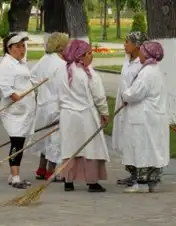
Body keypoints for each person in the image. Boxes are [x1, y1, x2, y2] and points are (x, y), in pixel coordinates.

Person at [58, 39, 110, 192]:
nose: (91, 56)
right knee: (90, 147)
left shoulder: (63, 71)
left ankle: (68, 180)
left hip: (67, 116)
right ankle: (91, 181)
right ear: (79, 55)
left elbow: (56, 94)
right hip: (85, 116)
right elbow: (98, 95)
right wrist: (104, 112)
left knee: (70, 147)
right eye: (88, 53)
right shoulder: (88, 73)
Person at [118, 41, 169, 193]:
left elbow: (135, 93)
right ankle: (152, 181)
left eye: (141, 51)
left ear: (146, 54)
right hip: (153, 116)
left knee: (142, 148)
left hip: (144, 117)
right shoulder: (155, 70)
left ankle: (141, 183)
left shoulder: (147, 72)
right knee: (152, 148)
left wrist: (124, 95)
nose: (139, 53)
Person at [0, 33, 36, 189]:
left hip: (25, 109)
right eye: (18, 46)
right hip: (14, 110)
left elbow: (25, 80)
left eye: (23, 46)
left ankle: (13, 173)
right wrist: (14, 96)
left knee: (20, 142)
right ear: (9, 48)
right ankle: (15, 177)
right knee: (17, 142)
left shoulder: (20, 63)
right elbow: (3, 84)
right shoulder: (7, 63)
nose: (22, 49)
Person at [30, 32, 69, 182]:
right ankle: (51, 171)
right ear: (62, 47)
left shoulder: (44, 59)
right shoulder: (62, 65)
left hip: (43, 104)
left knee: (44, 136)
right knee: (55, 138)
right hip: (55, 105)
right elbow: (64, 87)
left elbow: (32, 76)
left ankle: (41, 168)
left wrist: (41, 90)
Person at [113, 31, 149, 187]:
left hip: (135, 106)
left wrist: (129, 97)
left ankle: (139, 174)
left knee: (134, 140)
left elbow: (140, 88)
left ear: (137, 45)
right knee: (124, 140)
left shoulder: (142, 64)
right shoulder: (127, 60)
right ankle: (132, 172)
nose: (124, 45)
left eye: (127, 42)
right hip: (123, 105)